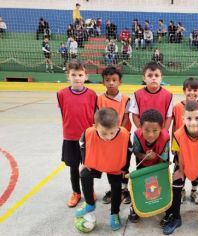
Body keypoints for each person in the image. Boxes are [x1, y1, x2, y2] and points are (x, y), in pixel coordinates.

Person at [162, 101, 198, 235]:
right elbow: (179, 154)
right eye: (189, 118)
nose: (193, 122)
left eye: (197, 118)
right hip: (183, 163)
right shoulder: (178, 134)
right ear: (183, 119)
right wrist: (181, 171)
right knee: (176, 187)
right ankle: (176, 218)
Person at [75, 108, 130, 231]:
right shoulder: (89, 132)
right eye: (104, 133)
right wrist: (84, 162)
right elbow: (83, 145)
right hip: (96, 161)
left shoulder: (125, 134)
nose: (108, 137)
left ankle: (114, 213)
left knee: (116, 188)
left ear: (118, 125)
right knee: (84, 174)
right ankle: (89, 204)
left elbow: (128, 151)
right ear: (95, 126)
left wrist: (125, 168)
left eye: (112, 133)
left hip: (115, 164)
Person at [57, 59, 97, 208]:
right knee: (73, 167)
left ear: (86, 76)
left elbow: (94, 115)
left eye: (80, 74)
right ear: (68, 76)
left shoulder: (92, 95)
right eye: (74, 74)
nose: (77, 78)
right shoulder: (61, 94)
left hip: (87, 138)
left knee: (88, 167)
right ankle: (76, 192)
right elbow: (64, 113)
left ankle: (89, 190)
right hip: (70, 137)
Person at [97, 66, 133, 205]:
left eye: (114, 80)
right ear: (103, 82)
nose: (111, 82)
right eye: (107, 80)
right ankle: (114, 189)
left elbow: (125, 117)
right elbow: (99, 118)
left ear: (120, 82)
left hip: (122, 137)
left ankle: (124, 189)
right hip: (107, 138)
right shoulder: (99, 99)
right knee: (111, 165)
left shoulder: (126, 99)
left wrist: (118, 133)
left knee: (124, 164)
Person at [129, 109, 170, 223]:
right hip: (143, 164)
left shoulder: (165, 137)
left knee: (160, 184)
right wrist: (144, 156)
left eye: (155, 130)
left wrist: (158, 158)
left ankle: (165, 206)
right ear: (140, 127)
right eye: (146, 130)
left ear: (161, 129)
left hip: (159, 165)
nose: (151, 134)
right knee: (141, 185)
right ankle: (135, 207)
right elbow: (136, 152)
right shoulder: (137, 135)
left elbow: (165, 158)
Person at [171, 78, 198, 205]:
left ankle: (194, 191)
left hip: (197, 146)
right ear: (183, 90)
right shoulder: (177, 107)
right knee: (181, 167)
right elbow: (174, 127)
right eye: (189, 90)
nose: (192, 93)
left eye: (195, 90)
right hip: (181, 145)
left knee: (196, 168)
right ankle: (181, 190)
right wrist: (173, 145)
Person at [129, 62, 173, 130]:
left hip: (161, 134)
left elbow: (169, 117)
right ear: (144, 78)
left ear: (161, 78)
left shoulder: (168, 96)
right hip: (143, 133)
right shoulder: (137, 95)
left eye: (156, 75)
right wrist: (142, 130)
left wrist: (164, 132)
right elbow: (135, 115)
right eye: (150, 75)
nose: (153, 78)